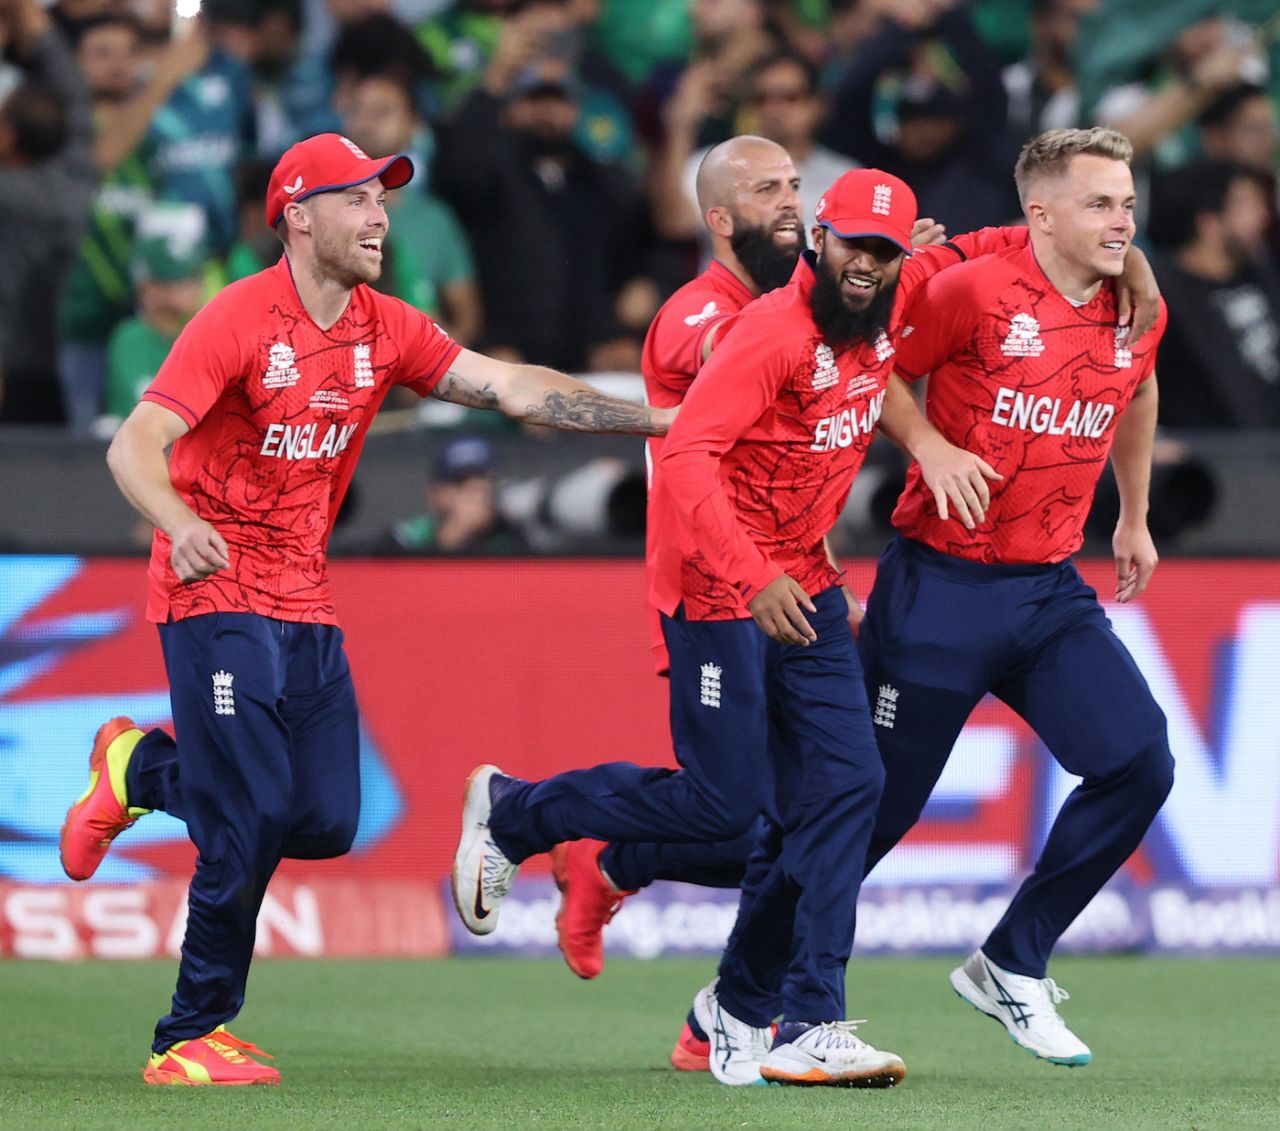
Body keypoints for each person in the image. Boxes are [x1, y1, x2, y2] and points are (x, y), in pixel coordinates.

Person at [57, 131, 674, 1087]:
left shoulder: (386, 326)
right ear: (298, 217)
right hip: (210, 586)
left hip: (304, 598)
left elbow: (507, 386)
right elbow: (134, 444)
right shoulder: (235, 319)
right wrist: (177, 522)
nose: (380, 215)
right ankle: (187, 1035)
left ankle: (140, 764)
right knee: (251, 813)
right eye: (357, 199)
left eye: (383, 198)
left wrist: (662, 418)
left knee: (325, 821)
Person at [453, 167, 1042, 1087]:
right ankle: (518, 810)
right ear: (820, 236)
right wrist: (753, 571)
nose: (869, 268)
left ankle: (809, 1018)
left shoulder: (895, 294)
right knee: (726, 806)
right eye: (854, 246)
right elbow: (686, 456)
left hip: (804, 585)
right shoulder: (769, 331)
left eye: (887, 254)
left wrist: (1121, 257)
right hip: (719, 587)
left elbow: (1000, 240)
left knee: (851, 787)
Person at [854, 126, 1173, 1068]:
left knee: (1139, 762)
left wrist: (1134, 515)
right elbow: (877, 369)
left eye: (1126, 202)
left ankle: (1012, 958)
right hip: (938, 586)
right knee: (870, 814)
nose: (1121, 221)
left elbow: (1138, 389)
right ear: (1040, 212)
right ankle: (744, 987)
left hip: (1046, 589)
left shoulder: (1136, 306)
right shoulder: (972, 289)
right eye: (1098, 203)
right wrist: (930, 447)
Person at [1148, 159, 1280, 428]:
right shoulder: (1161, 291)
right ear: (1209, 222)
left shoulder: (1262, 273)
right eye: (1246, 205)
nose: (1263, 215)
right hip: (1217, 455)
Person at [385, 435, 530, 554]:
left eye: (487, 481)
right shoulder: (408, 538)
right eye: (461, 482)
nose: (478, 494)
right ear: (434, 492)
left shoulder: (512, 539)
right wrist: (456, 535)